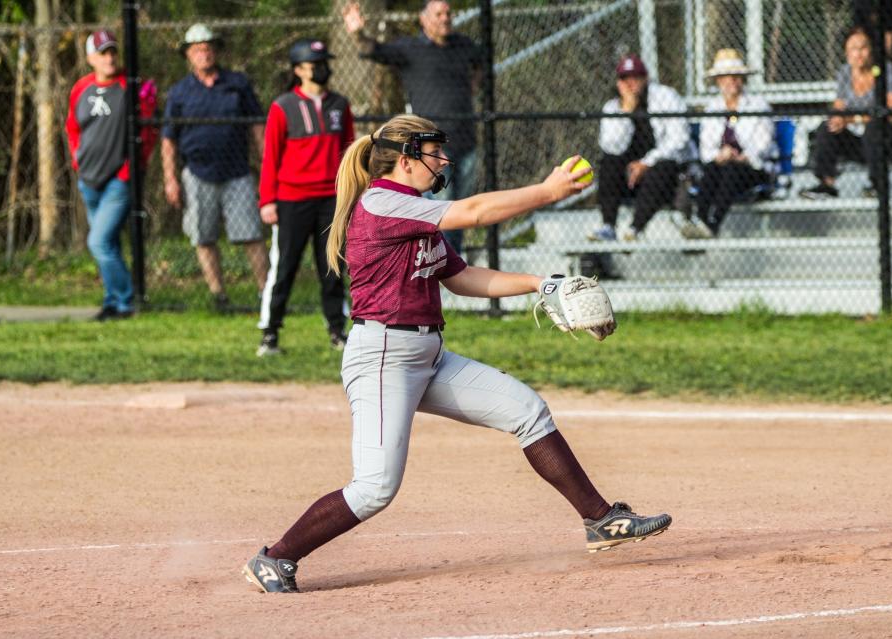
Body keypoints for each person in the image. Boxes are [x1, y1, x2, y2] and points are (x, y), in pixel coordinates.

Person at [241, 115, 672, 593]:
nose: (443, 159)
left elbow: (461, 277)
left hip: (426, 354)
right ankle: (275, 558)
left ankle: (600, 519)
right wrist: (546, 192)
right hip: (384, 355)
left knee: (526, 409)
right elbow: (476, 211)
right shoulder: (384, 200)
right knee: (375, 488)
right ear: (405, 160)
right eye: (433, 152)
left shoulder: (414, 209)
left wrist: (539, 284)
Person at [342, 0, 484, 255]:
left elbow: (480, 64)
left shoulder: (462, 45)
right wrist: (357, 32)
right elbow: (373, 50)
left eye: (448, 13)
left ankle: (453, 266)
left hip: (467, 140)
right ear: (424, 19)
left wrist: (474, 83)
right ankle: (442, 266)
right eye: (439, 13)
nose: (445, 18)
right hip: (434, 148)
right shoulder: (410, 48)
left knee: (462, 209)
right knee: (441, 210)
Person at [257, 39, 355, 356]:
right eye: (315, 63)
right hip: (292, 198)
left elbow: (351, 152)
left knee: (332, 265)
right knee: (284, 266)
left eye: (325, 61)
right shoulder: (283, 106)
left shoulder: (340, 104)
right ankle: (270, 333)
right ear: (298, 70)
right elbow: (271, 156)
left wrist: (351, 194)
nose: (322, 68)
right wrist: (267, 200)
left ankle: (337, 330)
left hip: (331, 198)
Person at [161, 23, 269, 312]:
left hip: (237, 172)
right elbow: (168, 140)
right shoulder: (180, 92)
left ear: (216, 51)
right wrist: (170, 179)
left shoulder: (237, 84)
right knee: (204, 236)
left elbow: (258, 126)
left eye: (208, 48)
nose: (204, 54)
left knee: (251, 233)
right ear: (188, 55)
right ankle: (218, 294)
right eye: (197, 49)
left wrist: (266, 165)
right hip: (197, 173)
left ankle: (266, 293)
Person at [65, 29, 157, 321]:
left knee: (98, 241)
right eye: (103, 53)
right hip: (89, 178)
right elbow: (72, 127)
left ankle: (126, 301)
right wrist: (77, 161)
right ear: (91, 58)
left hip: (119, 177)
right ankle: (112, 301)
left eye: (113, 52)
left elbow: (148, 129)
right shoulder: (81, 88)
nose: (109, 58)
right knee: (110, 243)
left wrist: (133, 166)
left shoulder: (130, 87)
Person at [800, 26, 892, 200]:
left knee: (875, 125)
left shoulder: (885, 70)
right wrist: (838, 121)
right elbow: (839, 108)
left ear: (871, 50)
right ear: (846, 53)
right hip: (868, 145)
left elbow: (890, 111)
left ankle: (878, 185)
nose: (858, 54)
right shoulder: (844, 73)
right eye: (853, 49)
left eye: (863, 48)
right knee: (827, 127)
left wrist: (850, 119)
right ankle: (826, 184)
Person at [590, 54, 693, 242]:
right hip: (630, 177)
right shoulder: (613, 107)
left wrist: (646, 163)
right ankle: (608, 226)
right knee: (608, 163)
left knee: (663, 166)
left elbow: (680, 139)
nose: (630, 84)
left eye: (636, 78)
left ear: (645, 78)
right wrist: (627, 112)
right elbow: (612, 146)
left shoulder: (666, 97)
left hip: (664, 174)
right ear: (618, 83)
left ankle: (634, 228)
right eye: (625, 79)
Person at [681, 49, 775, 239]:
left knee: (732, 170)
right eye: (725, 77)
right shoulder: (713, 108)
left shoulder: (758, 105)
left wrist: (743, 156)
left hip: (753, 167)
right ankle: (700, 220)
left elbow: (763, 145)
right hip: (721, 166)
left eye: (736, 76)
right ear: (718, 81)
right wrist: (720, 155)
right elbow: (706, 149)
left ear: (743, 78)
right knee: (712, 170)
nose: (731, 81)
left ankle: (713, 224)